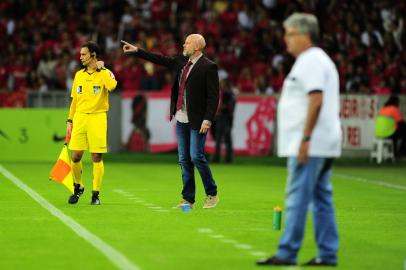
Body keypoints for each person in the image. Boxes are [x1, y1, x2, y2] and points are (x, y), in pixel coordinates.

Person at [257, 13, 342, 266]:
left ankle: (287, 252)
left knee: (297, 197)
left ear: (305, 35)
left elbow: (316, 99)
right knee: (321, 199)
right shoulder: (318, 60)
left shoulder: (310, 60)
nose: (286, 40)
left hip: (310, 143)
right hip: (320, 142)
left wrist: (305, 139)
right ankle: (327, 253)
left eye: (290, 34)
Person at [121, 34, 220, 209]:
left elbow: (213, 97)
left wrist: (207, 119)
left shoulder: (209, 67)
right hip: (182, 118)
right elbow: (159, 59)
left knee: (196, 156)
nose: (184, 44)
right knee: (184, 159)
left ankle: (212, 194)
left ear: (197, 47)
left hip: (198, 120)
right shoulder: (181, 61)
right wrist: (137, 51)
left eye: (187, 42)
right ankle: (187, 199)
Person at [66, 41, 117, 205]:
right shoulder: (79, 75)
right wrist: (69, 120)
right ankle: (79, 186)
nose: (80, 57)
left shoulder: (105, 73)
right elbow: (74, 101)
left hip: (98, 117)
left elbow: (112, 86)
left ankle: (95, 194)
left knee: (96, 156)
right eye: (80, 54)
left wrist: (102, 69)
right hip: (80, 117)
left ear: (93, 55)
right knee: (75, 156)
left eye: (84, 54)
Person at [212, 79, 236, 163]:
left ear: (225, 84)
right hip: (224, 118)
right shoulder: (228, 93)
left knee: (221, 138)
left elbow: (228, 106)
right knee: (225, 138)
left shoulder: (227, 94)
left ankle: (219, 157)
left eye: (222, 83)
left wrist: (220, 109)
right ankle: (227, 158)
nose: (220, 84)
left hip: (224, 117)